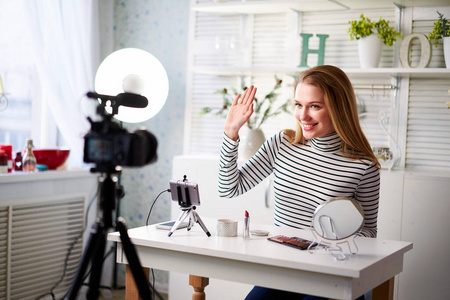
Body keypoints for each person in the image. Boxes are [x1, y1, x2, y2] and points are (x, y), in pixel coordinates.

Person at [217, 65, 380, 300]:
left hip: (332, 274)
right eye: (298, 105)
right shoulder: (283, 144)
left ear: (338, 108)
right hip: (284, 270)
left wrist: (330, 241)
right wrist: (231, 132)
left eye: (314, 106)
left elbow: (369, 233)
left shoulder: (363, 166)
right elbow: (229, 187)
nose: (303, 116)